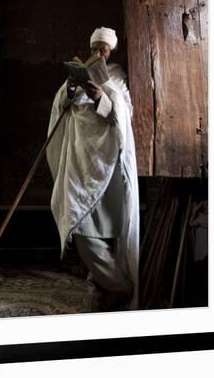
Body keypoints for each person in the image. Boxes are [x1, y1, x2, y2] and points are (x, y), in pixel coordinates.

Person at [46, 27, 139, 310]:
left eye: (104, 49)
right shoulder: (75, 76)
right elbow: (61, 108)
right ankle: (114, 284)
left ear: (111, 50)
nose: (99, 53)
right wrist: (72, 91)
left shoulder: (116, 77)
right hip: (78, 160)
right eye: (95, 48)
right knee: (82, 226)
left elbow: (123, 115)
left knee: (100, 230)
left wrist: (101, 97)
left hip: (105, 162)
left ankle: (118, 286)